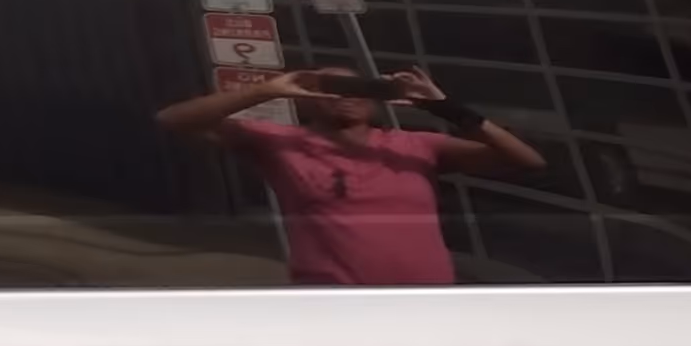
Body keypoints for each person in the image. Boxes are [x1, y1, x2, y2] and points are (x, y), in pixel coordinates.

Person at [154, 62, 544, 286]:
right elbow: (173, 120)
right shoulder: (281, 143)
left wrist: (446, 107)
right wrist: (266, 91)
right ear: (310, 99)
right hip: (336, 305)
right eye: (333, 88)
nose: (348, 95)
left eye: (357, 87)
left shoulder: (417, 145)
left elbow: (526, 160)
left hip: (428, 303)